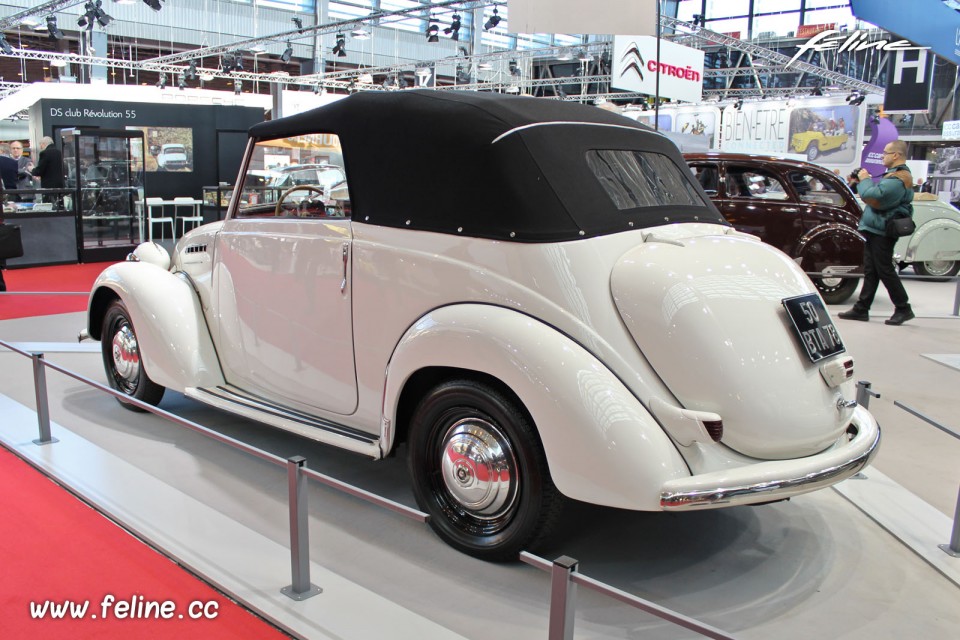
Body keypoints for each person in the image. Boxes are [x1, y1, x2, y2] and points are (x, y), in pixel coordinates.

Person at [839, 140, 914, 325]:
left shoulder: (899, 178)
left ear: (896, 155)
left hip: (883, 231)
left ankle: (903, 308)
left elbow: (874, 197)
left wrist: (865, 179)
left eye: (886, 153)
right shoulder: (893, 176)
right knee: (872, 270)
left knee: (885, 270)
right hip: (876, 229)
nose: (882, 156)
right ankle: (861, 309)